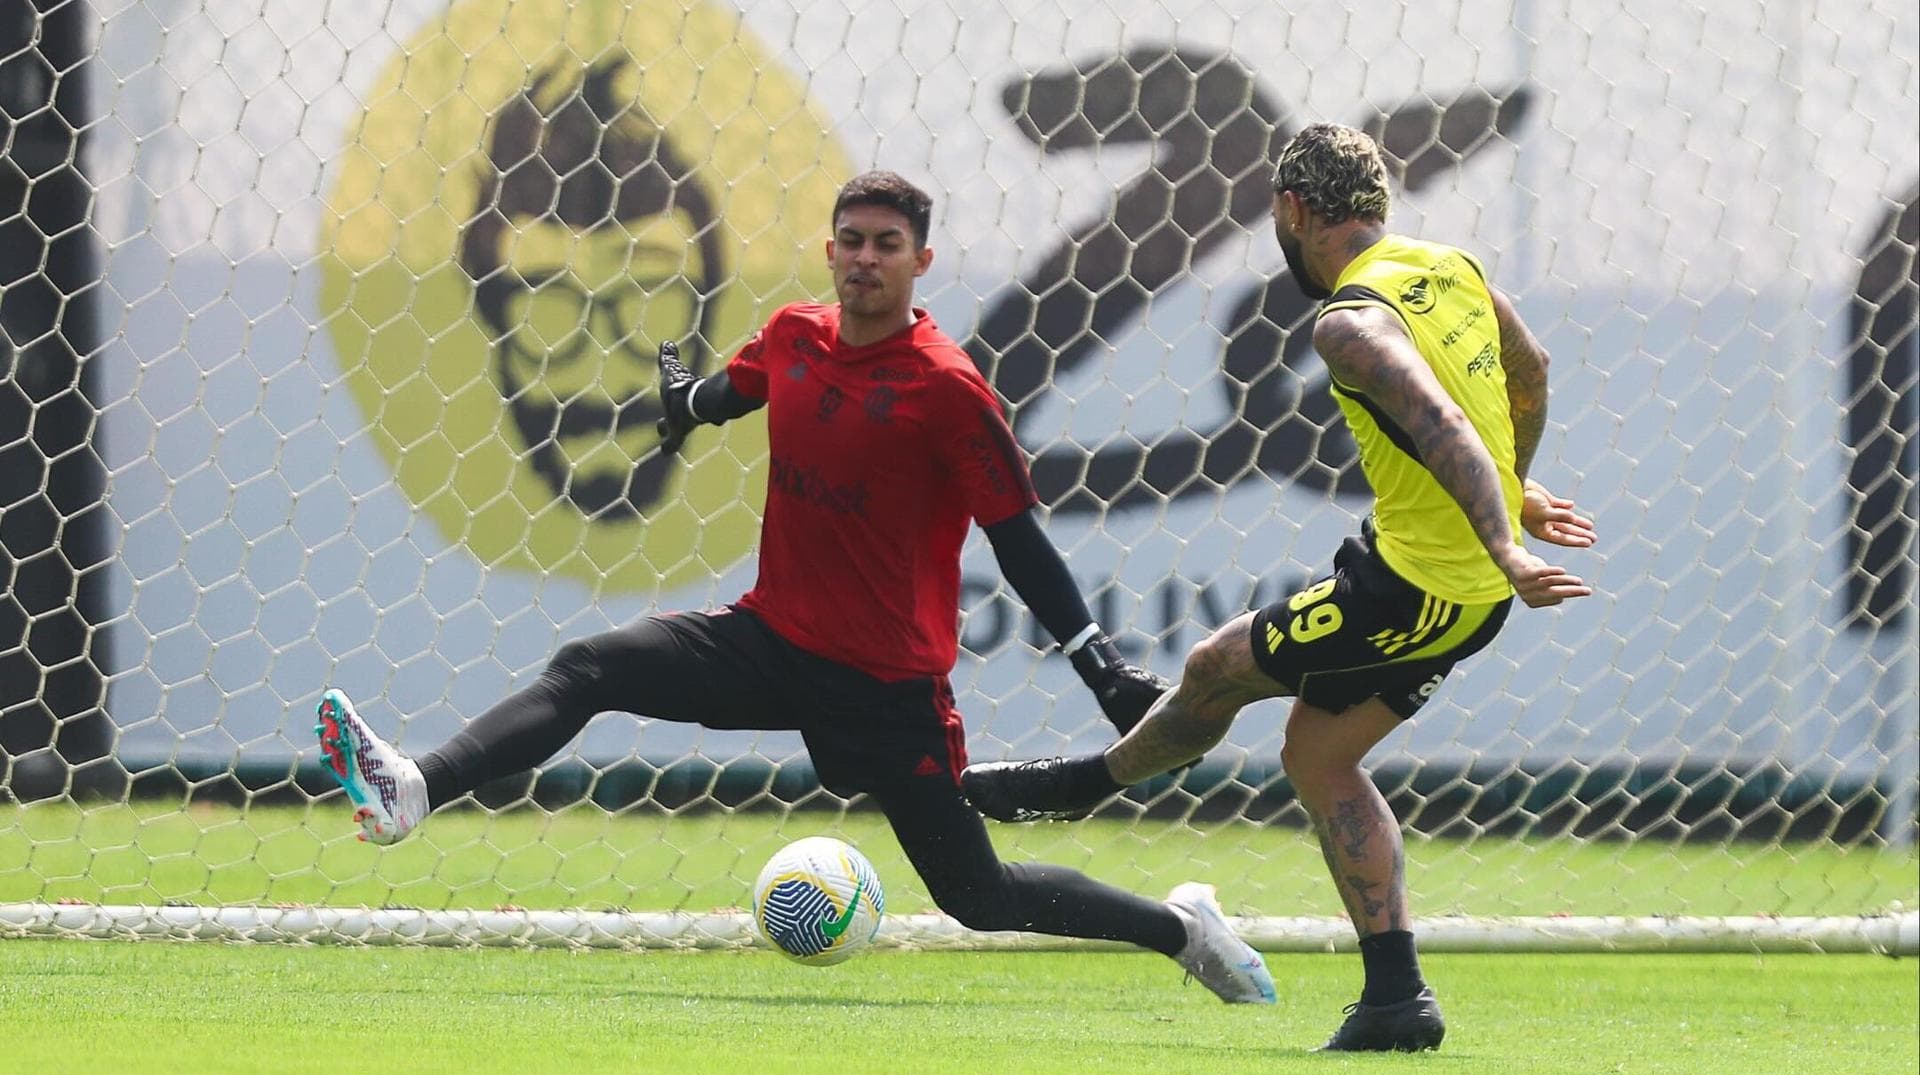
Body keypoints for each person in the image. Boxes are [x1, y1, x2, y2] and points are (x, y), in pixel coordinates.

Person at [315, 170, 1276, 1004]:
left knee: (978, 900)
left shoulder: (947, 389)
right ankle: (412, 788)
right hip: (770, 643)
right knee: (590, 668)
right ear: (829, 249)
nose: (865, 259)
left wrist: (1102, 674)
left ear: (921, 262)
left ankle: (1182, 929)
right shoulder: (795, 336)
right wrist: (686, 405)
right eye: (851, 241)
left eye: (887, 245)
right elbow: (734, 389)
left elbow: (1021, 543)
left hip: (886, 688)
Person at [963, 125, 1598, 1050]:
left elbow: (1445, 422)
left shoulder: (1346, 324)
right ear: (1376, 207)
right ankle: (1396, 1000)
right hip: (1459, 599)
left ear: (1293, 213)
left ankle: (1093, 783)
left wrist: (1501, 531)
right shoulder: (1450, 265)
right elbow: (1529, 369)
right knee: (1319, 757)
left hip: (1415, 588)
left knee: (1218, 668)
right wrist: (1515, 487)